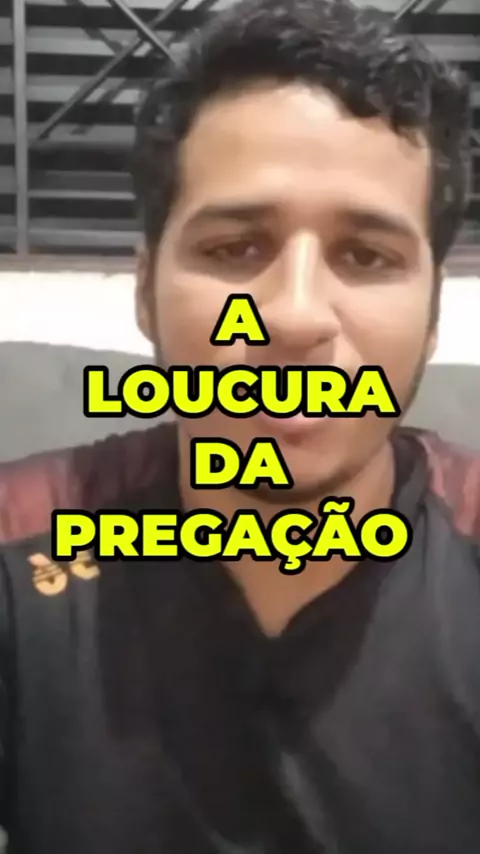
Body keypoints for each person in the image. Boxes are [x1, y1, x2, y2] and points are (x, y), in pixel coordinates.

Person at [0, 0, 478, 851]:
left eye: (366, 256)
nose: (293, 318)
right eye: (234, 249)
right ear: (146, 292)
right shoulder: (18, 546)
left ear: (433, 317)